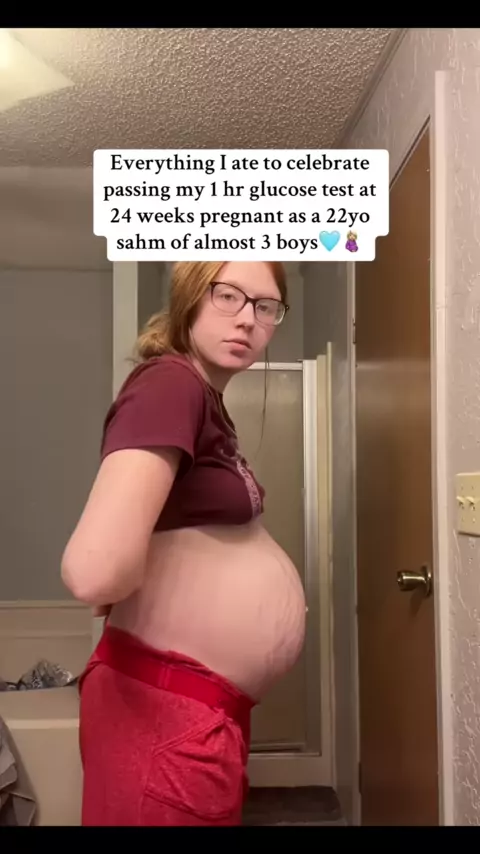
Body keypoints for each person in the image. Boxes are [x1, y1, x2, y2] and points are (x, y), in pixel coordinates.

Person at [61, 261, 307, 826]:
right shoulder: (171, 382)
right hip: (161, 711)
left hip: (191, 705)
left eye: (265, 306)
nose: (247, 319)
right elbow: (95, 571)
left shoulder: (203, 396)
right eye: (228, 296)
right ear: (190, 298)